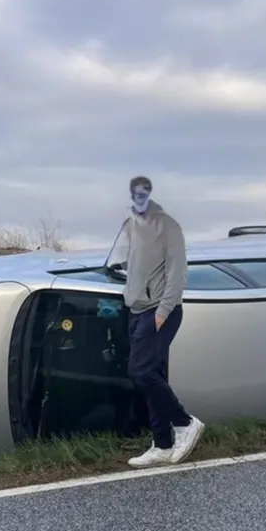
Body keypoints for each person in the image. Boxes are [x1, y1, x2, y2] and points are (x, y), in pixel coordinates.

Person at [120, 175, 205, 468]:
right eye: (135, 193)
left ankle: (185, 423)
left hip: (159, 310)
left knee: (141, 372)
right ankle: (162, 444)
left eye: (143, 192)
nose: (138, 197)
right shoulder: (130, 225)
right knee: (153, 375)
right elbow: (127, 263)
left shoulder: (168, 226)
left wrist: (163, 312)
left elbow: (177, 273)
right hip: (136, 309)